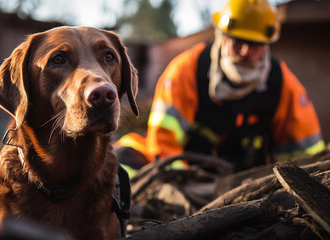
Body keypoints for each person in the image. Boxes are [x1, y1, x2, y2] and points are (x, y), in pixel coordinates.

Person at [116, 0, 325, 173]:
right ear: (221, 35)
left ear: (266, 44)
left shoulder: (283, 85)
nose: (244, 51)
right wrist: (182, 182)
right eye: (237, 40)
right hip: (188, 174)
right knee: (120, 161)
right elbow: (163, 145)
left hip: (245, 181)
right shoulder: (187, 70)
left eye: (253, 44)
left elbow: (307, 155)